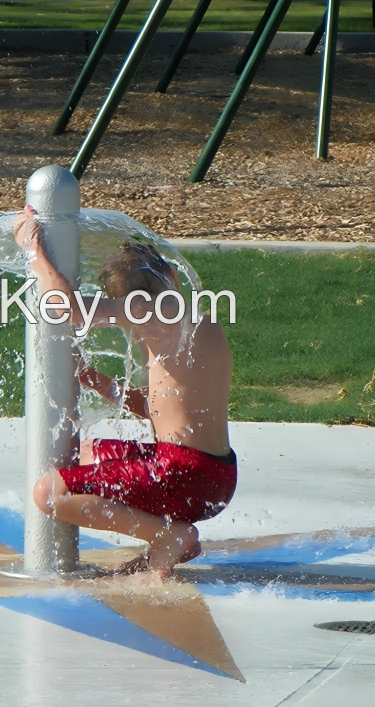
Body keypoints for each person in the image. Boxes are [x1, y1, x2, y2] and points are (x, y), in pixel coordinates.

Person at [13, 205, 237, 577]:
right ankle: (169, 537)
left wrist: (33, 251)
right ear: (167, 273)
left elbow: (68, 307)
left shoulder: (159, 313)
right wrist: (95, 380)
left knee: (49, 493)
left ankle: (170, 536)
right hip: (211, 472)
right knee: (84, 455)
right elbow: (163, 409)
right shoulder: (196, 322)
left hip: (184, 475)